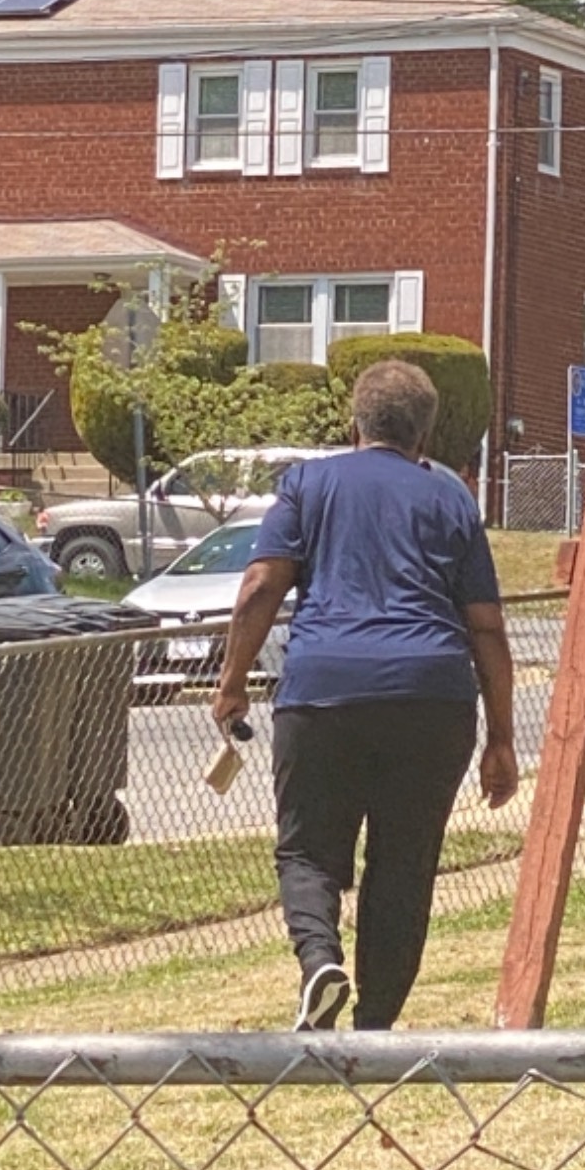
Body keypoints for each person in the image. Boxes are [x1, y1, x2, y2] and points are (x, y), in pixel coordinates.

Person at [212, 360, 518, 1032]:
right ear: (424, 438)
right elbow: (487, 626)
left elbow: (261, 584)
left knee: (307, 851)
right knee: (404, 864)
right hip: (432, 697)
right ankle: (375, 1028)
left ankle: (320, 962)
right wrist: (501, 737)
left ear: (354, 426)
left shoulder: (308, 483)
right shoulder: (451, 501)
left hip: (324, 691)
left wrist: (232, 682)